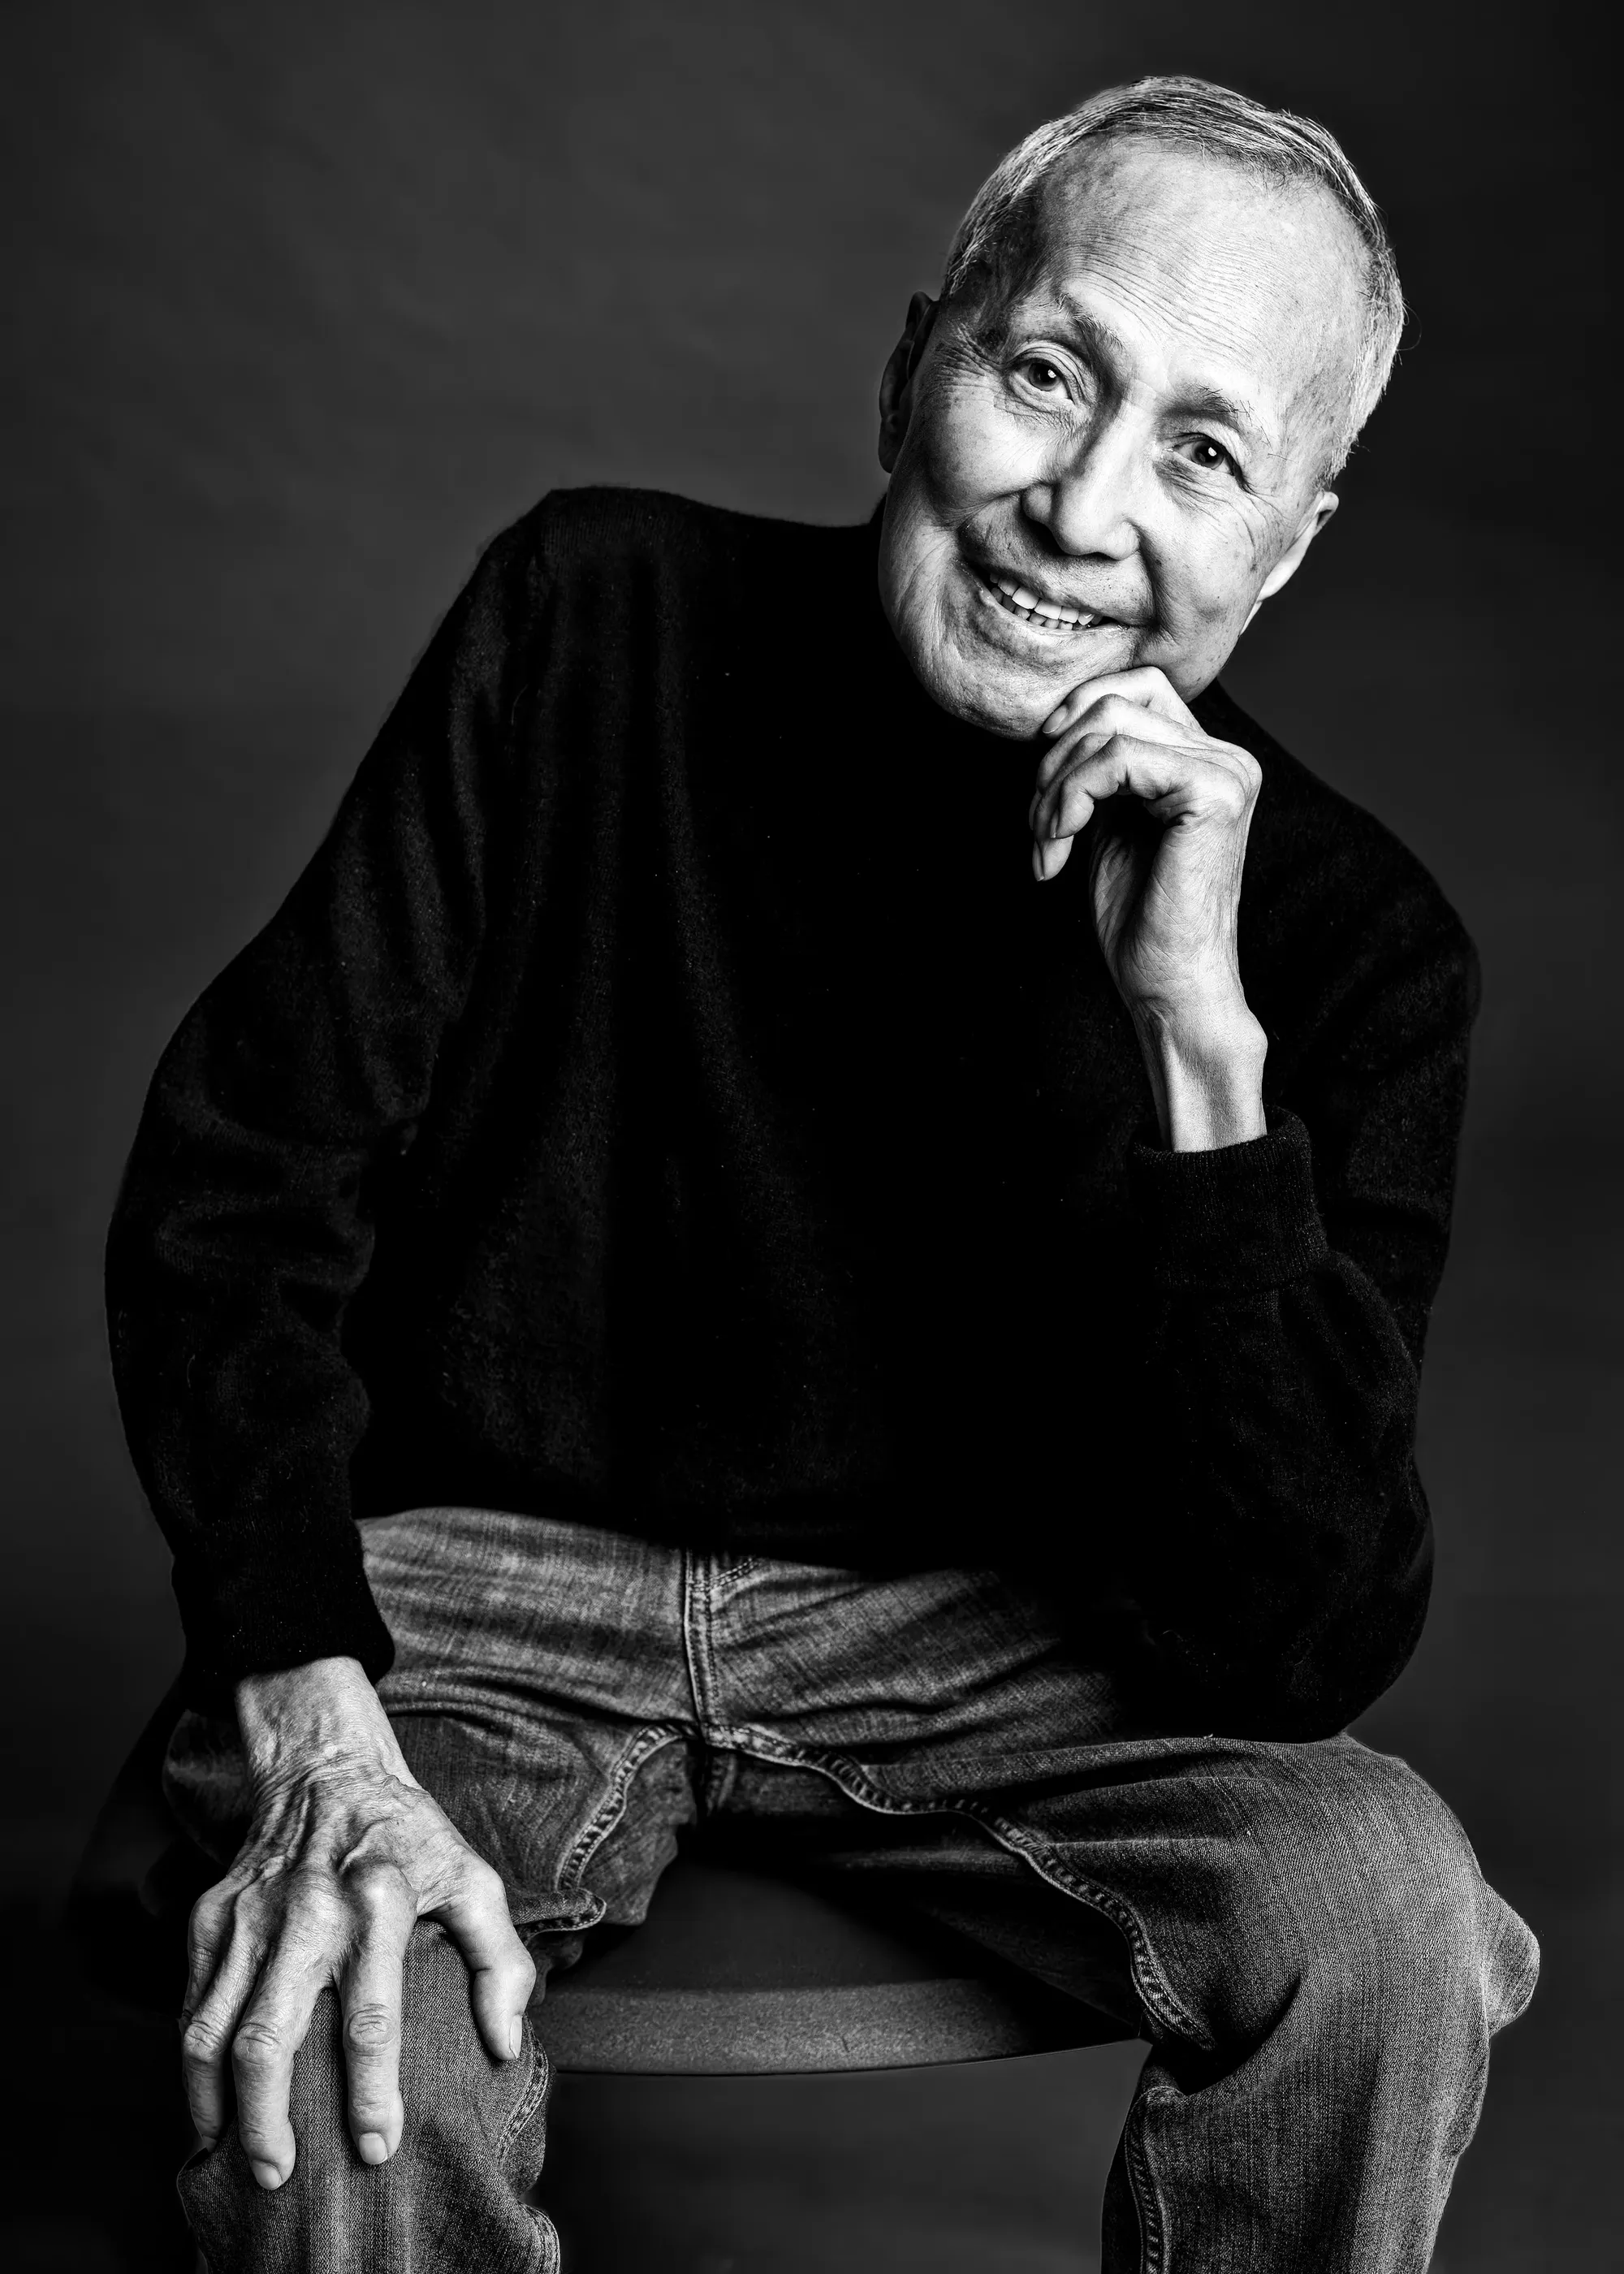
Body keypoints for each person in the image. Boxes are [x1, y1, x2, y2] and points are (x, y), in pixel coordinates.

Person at [106, 73, 1540, 2274]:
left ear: (1288, 540)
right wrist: (311, 1722)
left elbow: (1301, 1636)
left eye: (1201, 453)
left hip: (995, 1640)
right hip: (479, 1605)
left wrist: (1198, 1047)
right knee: (340, 2011)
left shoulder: (1354, 941)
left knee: (1388, 1919)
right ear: (911, 370)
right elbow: (240, 1188)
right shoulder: (590, 618)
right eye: (1046, 373)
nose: (1080, 508)